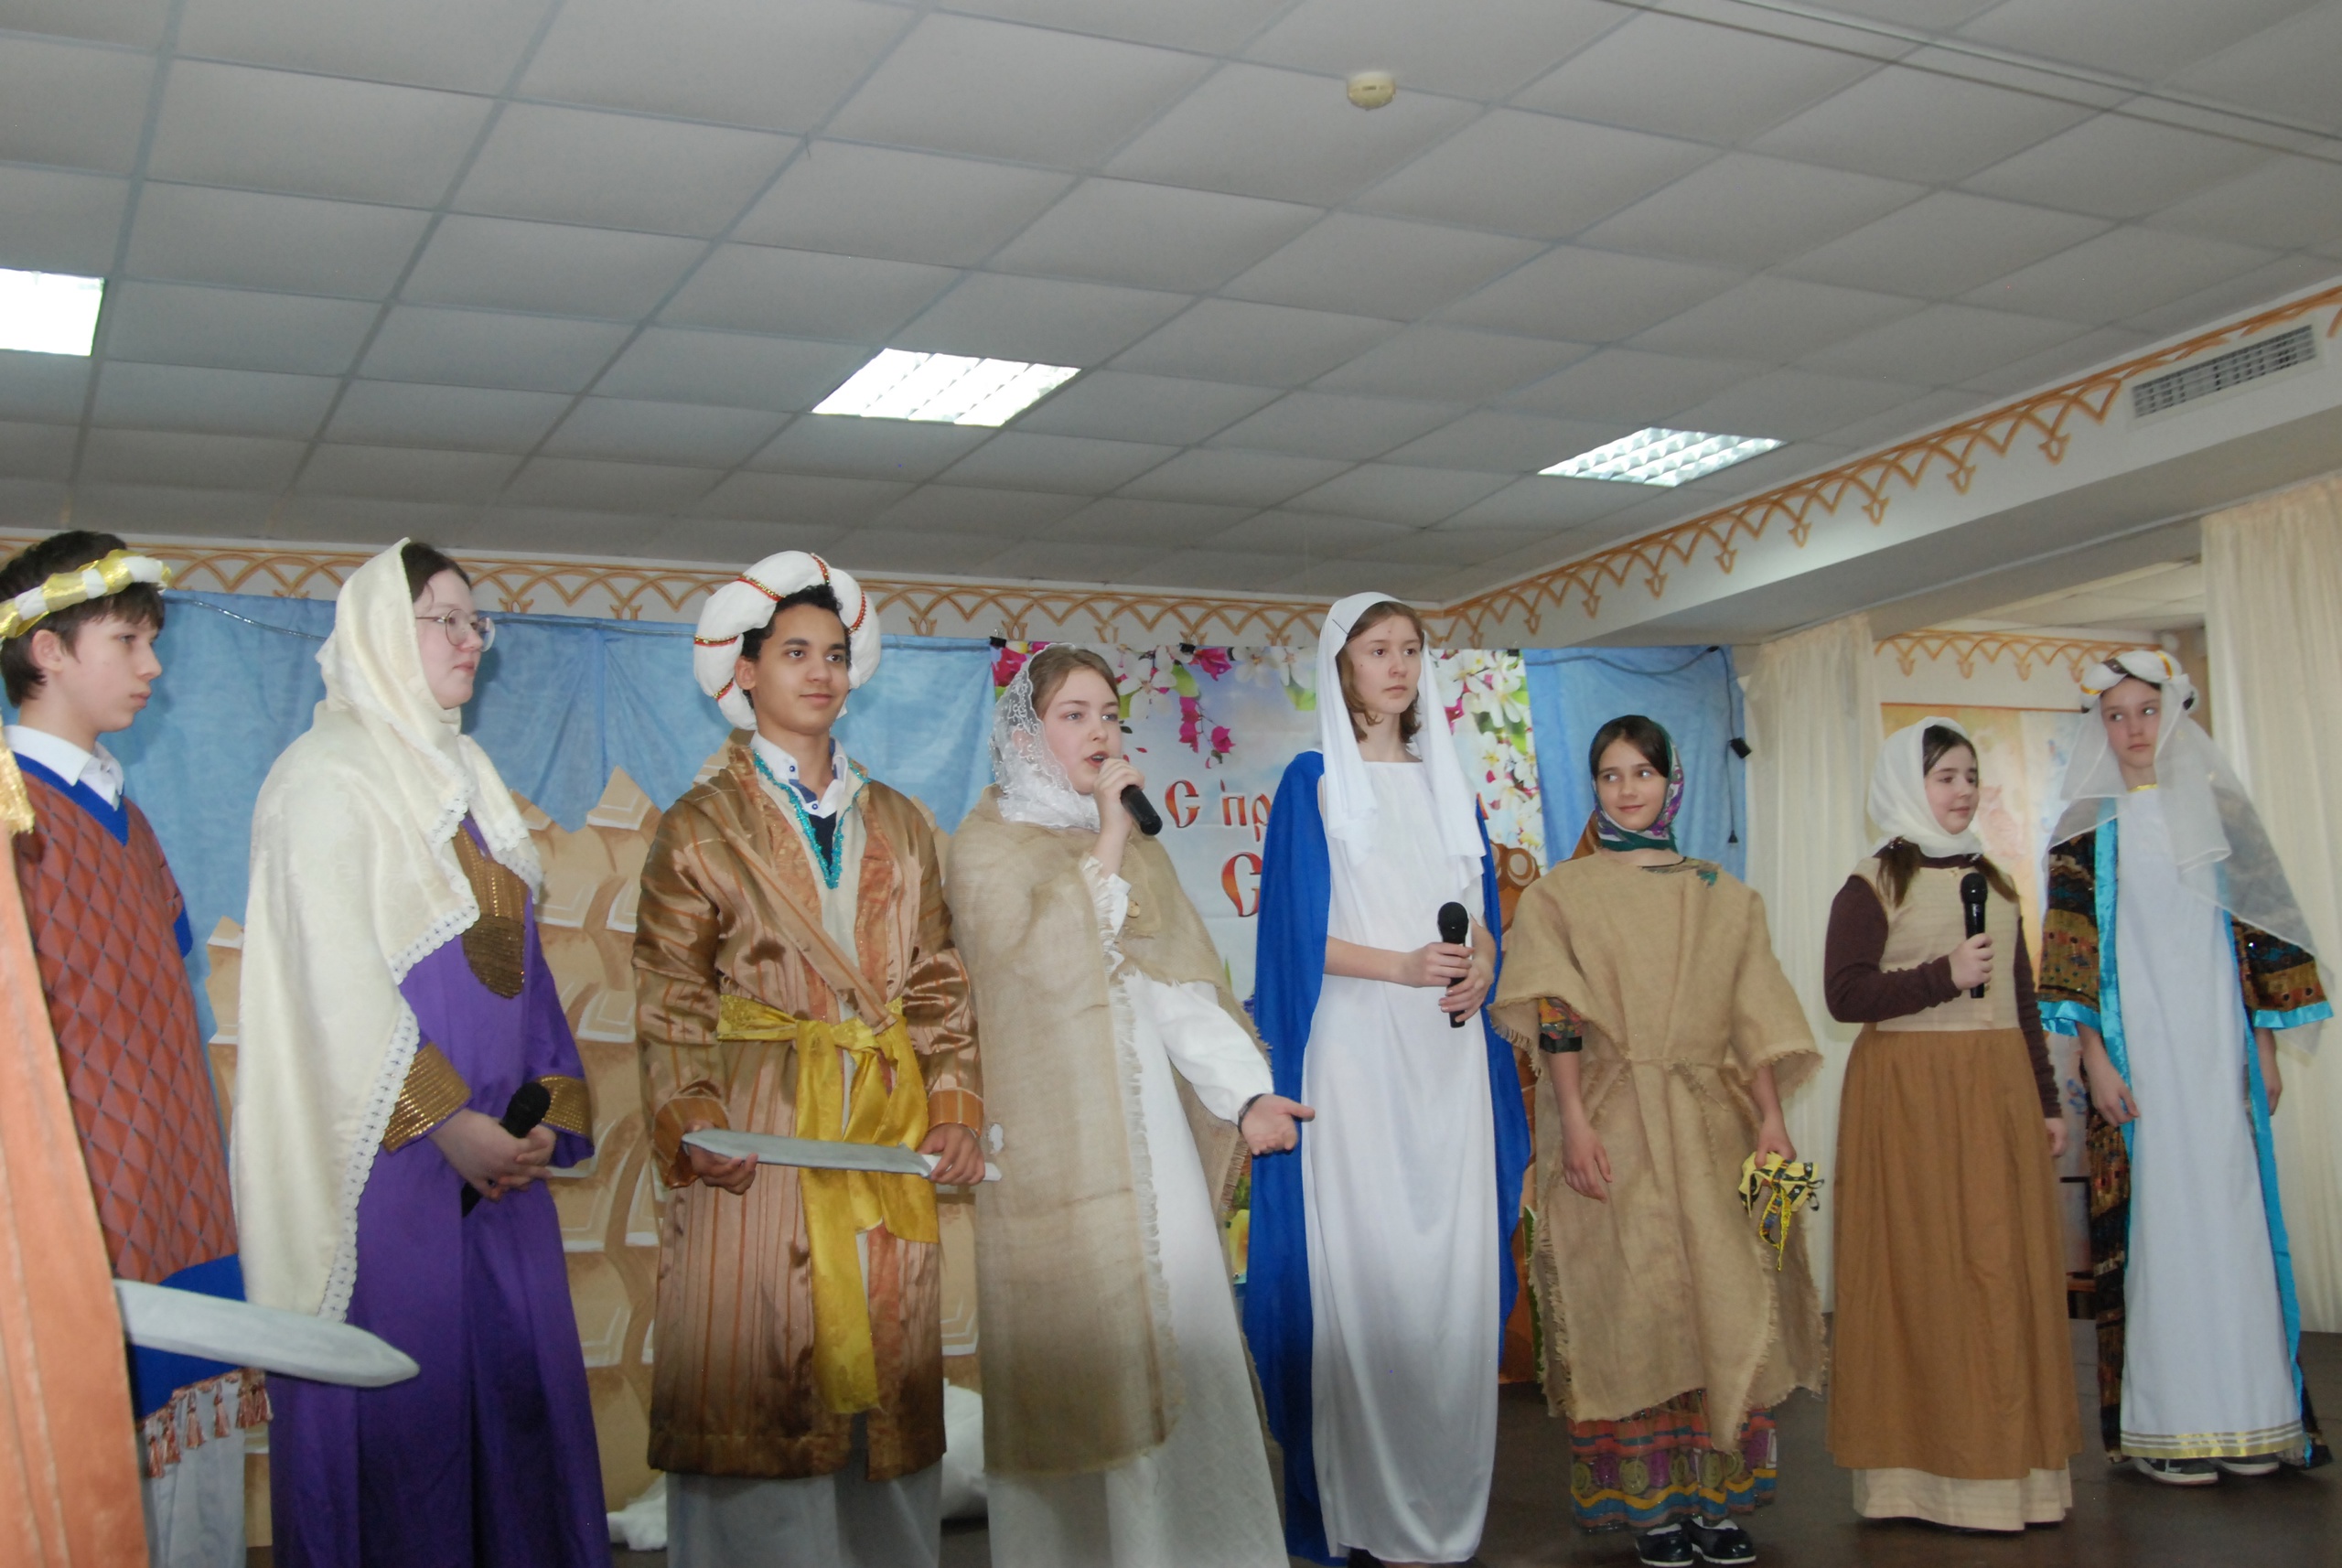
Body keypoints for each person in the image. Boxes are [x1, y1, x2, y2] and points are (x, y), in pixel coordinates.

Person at [235, 540, 608, 1567]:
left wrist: (537, 1117)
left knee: (516, 1418)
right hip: (391, 1172)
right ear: (376, 635)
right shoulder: (322, 778)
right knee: (406, 1432)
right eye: (444, 619)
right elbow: (330, 984)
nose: (470, 641)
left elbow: (521, 973)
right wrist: (447, 1123)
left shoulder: (468, 780)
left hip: (500, 1173)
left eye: (475, 621)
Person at [634, 551, 983, 1568]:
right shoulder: (700, 825)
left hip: (882, 1127)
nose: (820, 672)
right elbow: (669, 993)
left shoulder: (901, 821)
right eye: (793, 652)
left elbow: (938, 981)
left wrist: (954, 1105)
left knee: (885, 1369)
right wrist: (694, 1119)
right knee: (763, 1366)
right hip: (760, 1130)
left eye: (833, 653)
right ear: (744, 672)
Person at [947, 644, 1302, 1568]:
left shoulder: (1137, 851)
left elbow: (1181, 989)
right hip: (1053, 1160)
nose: (1099, 732)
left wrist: (1247, 1095)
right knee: (1083, 1367)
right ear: (1026, 734)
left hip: (1154, 1159)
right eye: (1074, 714)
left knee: (1183, 1343)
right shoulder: (987, 846)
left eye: (1109, 714)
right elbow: (1034, 969)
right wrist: (1107, 836)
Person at [1491, 715, 1821, 1568]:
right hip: (1612, 1126)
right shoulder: (1564, 894)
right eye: (1610, 775)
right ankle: (1654, 1508)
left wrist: (1773, 1122)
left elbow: (1754, 1019)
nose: (1627, 789)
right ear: (1594, 787)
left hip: (1715, 1129)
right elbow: (1556, 1017)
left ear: (1672, 782)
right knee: (1635, 1312)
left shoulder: (1725, 896)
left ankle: (1720, 1502)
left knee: (1726, 1299)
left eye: (1643, 772)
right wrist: (1572, 1122)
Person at [1245, 594, 1531, 1568]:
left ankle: (1444, 1502)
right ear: (1344, 665)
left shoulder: (1452, 782)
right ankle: (1364, 1507)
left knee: (1448, 1280)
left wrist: (1482, 962)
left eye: (1410, 648)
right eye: (1378, 650)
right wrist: (1400, 967)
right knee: (1369, 1281)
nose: (1398, 665)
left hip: (1446, 1059)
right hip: (1359, 1055)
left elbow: (1479, 911)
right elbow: (1293, 938)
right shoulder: (1314, 781)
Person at [2, 532, 261, 1567]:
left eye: (153, 641)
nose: (153, 665)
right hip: (76, 1203)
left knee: (187, 1489)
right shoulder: (10, 812)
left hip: (172, 1186)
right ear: (47, 651)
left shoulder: (129, 817)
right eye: (127, 641)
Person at [2039, 650, 2331, 1484]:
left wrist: (2263, 1050)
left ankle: (2254, 1418)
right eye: (2116, 715)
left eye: (2147, 710)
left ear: (2176, 714)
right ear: (2099, 727)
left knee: (2234, 1222)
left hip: (2217, 1052)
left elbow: (2262, 938)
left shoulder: (2223, 814)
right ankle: (2165, 1429)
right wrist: (2094, 1060)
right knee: (2159, 1228)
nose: (2134, 729)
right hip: (2139, 1061)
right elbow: (2070, 960)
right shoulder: (2084, 832)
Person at [1822, 717, 2079, 1529]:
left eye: (1970, 776)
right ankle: (1920, 1477)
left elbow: (2022, 1001)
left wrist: (2046, 1100)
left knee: (2002, 1277)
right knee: (1924, 1277)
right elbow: (1845, 995)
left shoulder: (1995, 881)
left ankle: (2013, 1473)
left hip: (1995, 1095)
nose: (1962, 791)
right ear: (1910, 784)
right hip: (1909, 1102)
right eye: (1945, 777)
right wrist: (1943, 974)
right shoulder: (1873, 883)